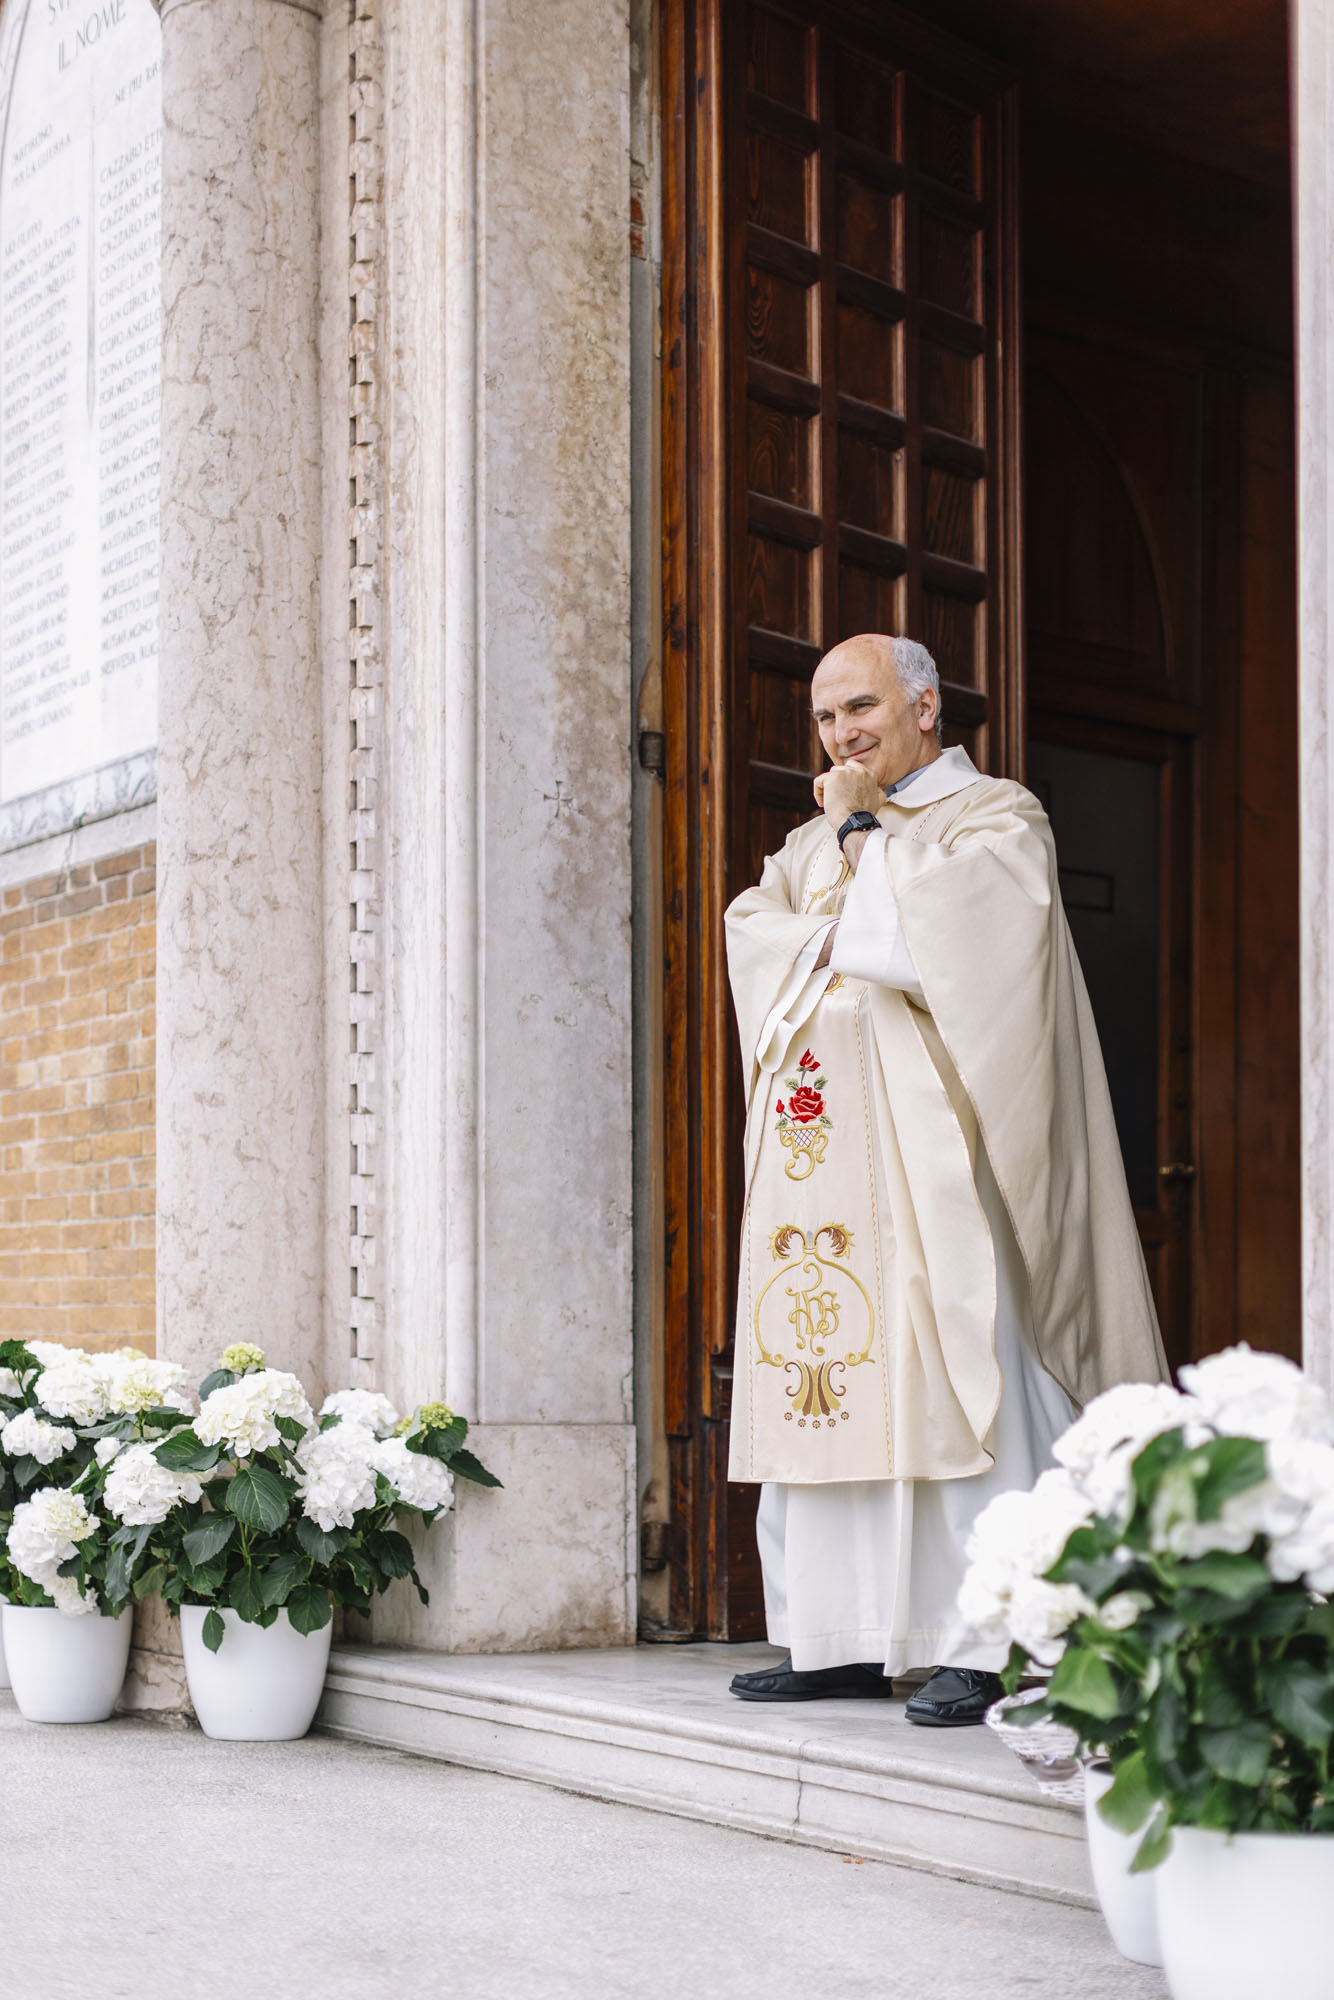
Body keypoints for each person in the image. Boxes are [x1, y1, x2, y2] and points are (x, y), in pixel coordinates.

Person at [723, 634, 1169, 1726]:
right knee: (825, 1373)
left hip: (949, 1170)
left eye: (861, 707)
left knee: (968, 1380)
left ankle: (982, 1633)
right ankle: (834, 1638)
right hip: (827, 1179)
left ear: (925, 706)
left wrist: (858, 882)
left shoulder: (993, 818)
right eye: (826, 718)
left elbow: (946, 947)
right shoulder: (811, 838)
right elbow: (756, 928)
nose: (841, 735)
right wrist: (847, 901)